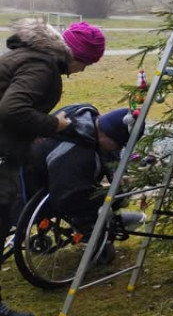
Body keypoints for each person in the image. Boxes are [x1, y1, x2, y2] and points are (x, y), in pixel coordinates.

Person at [0, 19, 105, 316]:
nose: (83, 71)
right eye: (86, 63)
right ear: (77, 57)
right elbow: (12, 109)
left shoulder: (27, 56)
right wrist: (52, 124)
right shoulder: (43, 66)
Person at [24, 105, 146, 246]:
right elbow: (69, 199)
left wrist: (116, 173)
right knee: (84, 198)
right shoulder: (76, 154)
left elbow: (107, 150)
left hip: (37, 172)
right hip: (36, 189)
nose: (120, 149)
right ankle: (89, 229)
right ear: (110, 136)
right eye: (120, 144)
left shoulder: (86, 118)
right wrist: (112, 197)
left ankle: (99, 218)